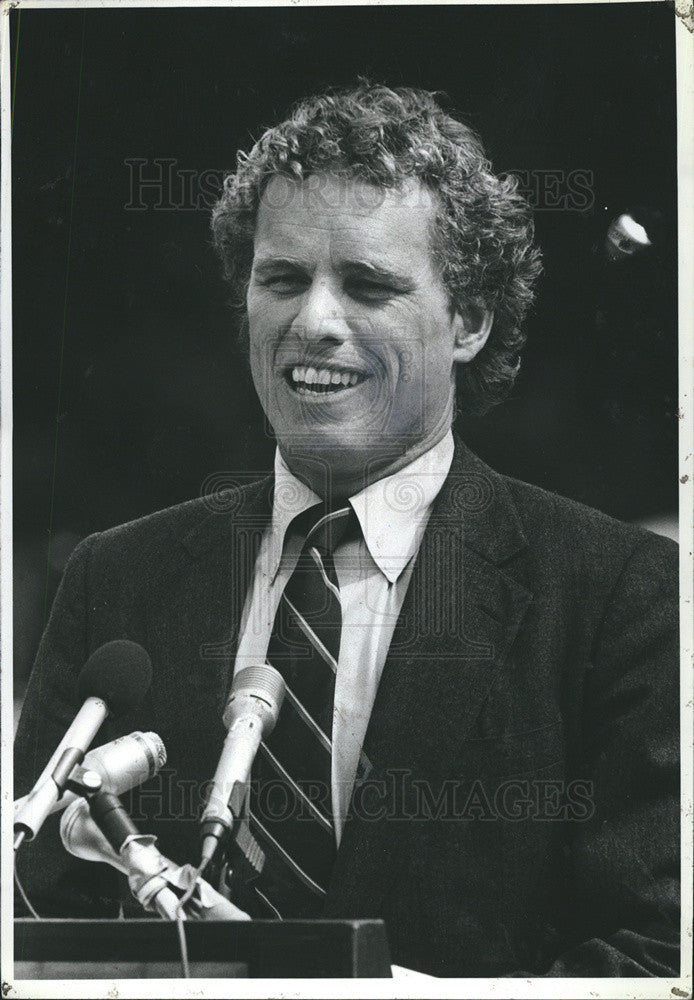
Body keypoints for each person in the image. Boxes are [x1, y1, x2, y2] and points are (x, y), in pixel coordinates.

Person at [14, 83, 679, 977]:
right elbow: (30, 921)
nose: (313, 322)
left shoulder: (623, 596)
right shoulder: (115, 578)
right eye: (281, 279)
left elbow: (659, 958)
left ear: (471, 321)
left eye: (368, 286)